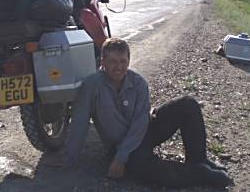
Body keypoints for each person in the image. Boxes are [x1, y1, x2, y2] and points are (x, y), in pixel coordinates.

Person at [43, 37, 233, 189]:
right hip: (120, 146)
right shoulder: (91, 86)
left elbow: (141, 123)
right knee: (146, 171)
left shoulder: (139, 83)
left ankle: (199, 158)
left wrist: (120, 159)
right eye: (113, 62)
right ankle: (200, 173)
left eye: (123, 61)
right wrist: (68, 158)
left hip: (144, 131)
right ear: (103, 62)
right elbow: (80, 123)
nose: (119, 67)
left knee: (188, 104)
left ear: (129, 60)